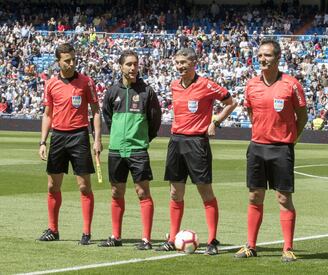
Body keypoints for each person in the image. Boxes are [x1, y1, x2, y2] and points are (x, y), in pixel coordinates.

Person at [156, 47, 237, 255]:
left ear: (194, 63)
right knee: (175, 192)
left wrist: (215, 122)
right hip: (176, 141)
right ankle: (172, 238)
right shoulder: (174, 85)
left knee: (205, 191)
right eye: (177, 63)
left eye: (183, 62)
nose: (180, 67)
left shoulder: (207, 85)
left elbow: (230, 102)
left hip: (197, 143)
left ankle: (212, 240)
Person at [234, 38, 307, 262]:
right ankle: (251, 245)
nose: (263, 59)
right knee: (255, 196)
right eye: (261, 55)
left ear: (278, 58)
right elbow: (250, 113)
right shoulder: (251, 85)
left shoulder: (291, 84)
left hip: (281, 148)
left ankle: (287, 248)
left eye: (268, 55)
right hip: (257, 147)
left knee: (283, 198)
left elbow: (302, 116)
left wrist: (291, 140)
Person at [37, 43, 102, 245]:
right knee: (52, 186)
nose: (72, 63)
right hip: (58, 137)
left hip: (79, 136)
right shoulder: (51, 84)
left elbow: (96, 111)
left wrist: (97, 139)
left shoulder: (86, 82)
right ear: (58, 61)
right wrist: (43, 141)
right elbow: (48, 115)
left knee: (84, 186)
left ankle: (86, 232)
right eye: (67, 60)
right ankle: (53, 230)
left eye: (74, 59)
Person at [99, 50, 162, 250]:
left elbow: (155, 120)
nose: (133, 68)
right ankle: (116, 236)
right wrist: (118, 136)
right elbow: (107, 117)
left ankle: (146, 239)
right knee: (116, 192)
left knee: (142, 192)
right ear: (121, 67)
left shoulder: (147, 91)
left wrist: (143, 139)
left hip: (137, 150)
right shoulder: (112, 91)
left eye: (135, 64)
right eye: (129, 64)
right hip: (116, 149)